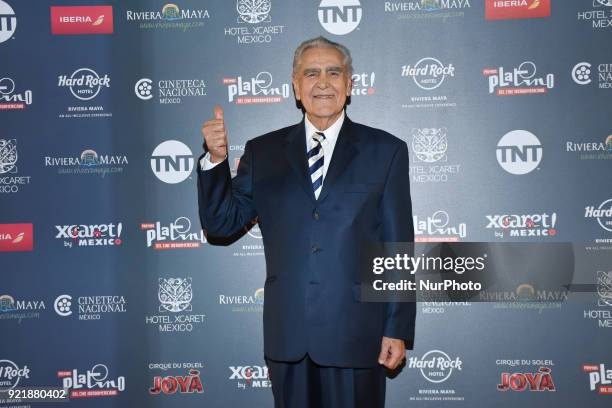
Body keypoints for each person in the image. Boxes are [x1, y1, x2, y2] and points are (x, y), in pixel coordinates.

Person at [198, 36, 415, 408]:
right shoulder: (262, 152)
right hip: (289, 337)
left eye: (334, 72)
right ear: (296, 87)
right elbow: (221, 224)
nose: (323, 82)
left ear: (350, 84)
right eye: (311, 73)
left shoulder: (386, 150)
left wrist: (396, 328)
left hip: (357, 335)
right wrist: (215, 160)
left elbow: (396, 247)